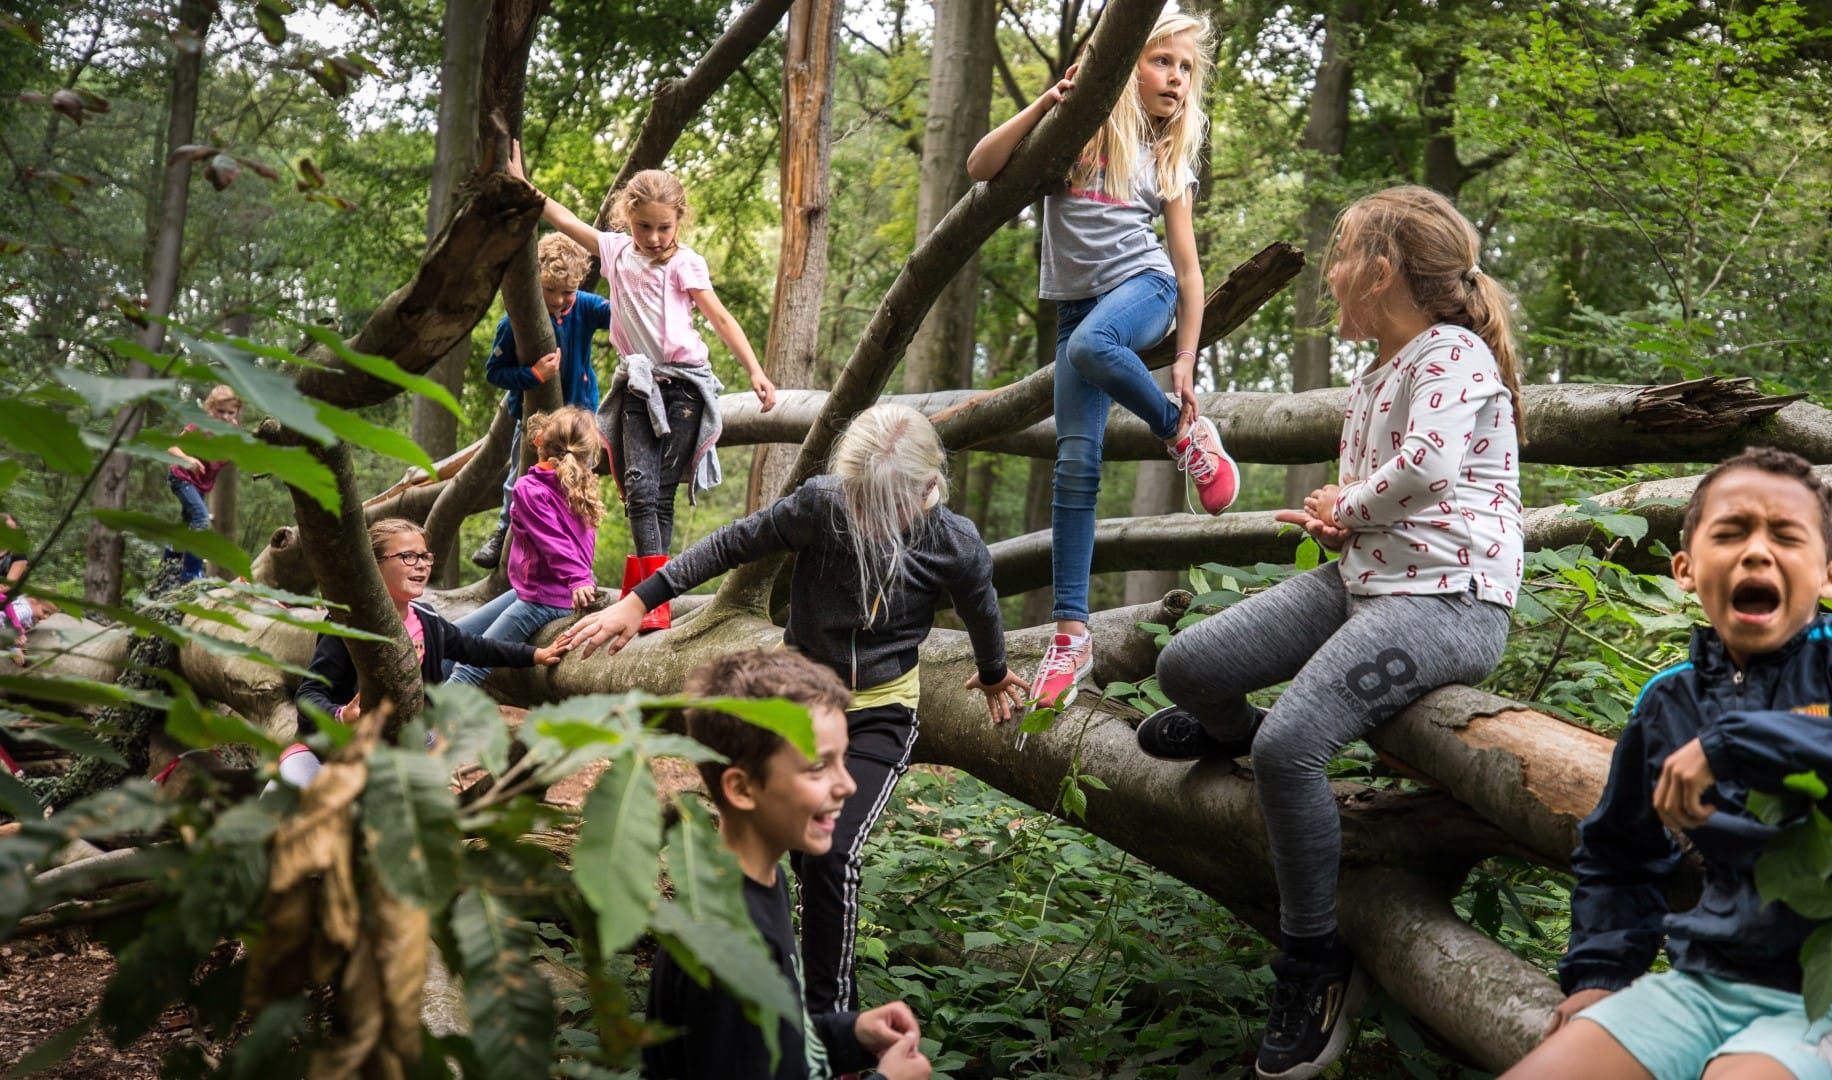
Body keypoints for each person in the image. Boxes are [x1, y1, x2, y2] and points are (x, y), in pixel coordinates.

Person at [1131, 184, 1526, 1078]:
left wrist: (1344, 503)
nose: (1332, 276)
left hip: (1448, 601)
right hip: (1365, 581)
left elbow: (1429, 467)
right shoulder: (1380, 369)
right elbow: (1398, 488)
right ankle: (1245, 731)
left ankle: (1314, 958)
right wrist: (1342, 521)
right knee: (1190, 664)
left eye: (1343, 257)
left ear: (1382, 271)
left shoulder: (1451, 353)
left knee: (1289, 755)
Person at [563, 404, 1028, 1014]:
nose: (865, 516)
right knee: (774, 843)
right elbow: (734, 541)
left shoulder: (954, 543)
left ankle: (830, 1020)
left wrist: (994, 673)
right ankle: (757, 984)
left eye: (883, 504)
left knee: (830, 850)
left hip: (877, 710)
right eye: (859, 498)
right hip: (797, 699)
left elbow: (981, 610)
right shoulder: (823, 505)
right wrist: (640, 600)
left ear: (924, 487)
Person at [1504, 447, 1832, 1080]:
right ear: (1686, 569)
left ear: (1831, 576)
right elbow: (1618, 851)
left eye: (1786, 535)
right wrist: (1602, 973)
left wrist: (1734, 744)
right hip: (1704, 986)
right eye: (1729, 533)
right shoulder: (1669, 703)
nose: (1757, 551)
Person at [966, 7, 1239, 712]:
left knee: (1094, 349)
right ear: (1126, 65)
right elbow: (981, 166)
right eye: (1161, 61)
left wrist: (1184, 361)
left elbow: (1187, 270)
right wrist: (1046, 104)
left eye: (1185, 67)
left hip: (1143, 288)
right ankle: (1071, 634)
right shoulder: (1077, 132)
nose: (1176, 77)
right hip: (1073, 305)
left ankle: (1179, 431)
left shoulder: (1167, 158)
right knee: (1075, 464)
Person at [506, 142, 777, 631]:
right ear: (628, 219)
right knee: (637, 488)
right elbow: (564, 219)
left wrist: (755, 369)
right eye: (644, 226)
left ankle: (653, 599)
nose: (654, 237)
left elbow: (718, 317)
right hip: (636, 383)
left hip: (682, 389)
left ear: (679, 221)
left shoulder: (684, 264)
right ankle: (651, 594)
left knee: (660, 494)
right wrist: (526, 187)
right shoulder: (613, 251)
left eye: (664, 227)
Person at [644, 648, 930, 1080]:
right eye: (818, 768)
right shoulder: (728, 947)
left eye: (844, 760)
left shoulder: (760, 875)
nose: (849, 784)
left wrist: (851, 1033)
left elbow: (771, 1040)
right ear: (742, 788)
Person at [283, 518, 567, 787]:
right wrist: (342, 715)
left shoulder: (427, 621)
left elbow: (475, 647)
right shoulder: (347, 625)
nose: (421, 566)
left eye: (425, 557)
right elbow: (309, 695)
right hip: (338, 749)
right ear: (373, 565)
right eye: (408, 556)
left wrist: (533, 655)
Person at [472, 233, 613, 570]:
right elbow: (495, 372)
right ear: (536, 284)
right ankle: (505, 528)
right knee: (520, 476)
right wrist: (533, 375)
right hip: (535, 416)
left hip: (580, 417)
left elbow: (621, 316)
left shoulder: (586, 307)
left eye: (568, 292)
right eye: (550, 290)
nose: (561, 300)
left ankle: (576, 544)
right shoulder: (514, 323)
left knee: (581, 476)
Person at [449, 407, 602, 687]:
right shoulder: (578, 483)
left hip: (546, 599)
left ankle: (426, 732)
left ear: (538, 443)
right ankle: (413, 703)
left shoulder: (530, 489)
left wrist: (579, 579)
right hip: (542, 590)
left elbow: (554, 543)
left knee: (469, 666)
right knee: (451, 637)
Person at [164, 385, 243, 584]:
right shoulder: (199, 427)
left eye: (230, 413)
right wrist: (188, 460)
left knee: (186, 523)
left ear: (236, 413)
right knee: (200, 518)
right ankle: (191, 573)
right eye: (220, 412)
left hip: (200, 485)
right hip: (182, 477)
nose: (225, 417)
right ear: (210, 410)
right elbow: (172, 447)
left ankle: (170, 560)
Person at [6, 594, 57, 665]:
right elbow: (7, 621)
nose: (45, 617)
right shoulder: (27, 610)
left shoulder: (23, 607)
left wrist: (26, 625)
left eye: (49, 615)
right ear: (32, 602)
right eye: (45, 612)